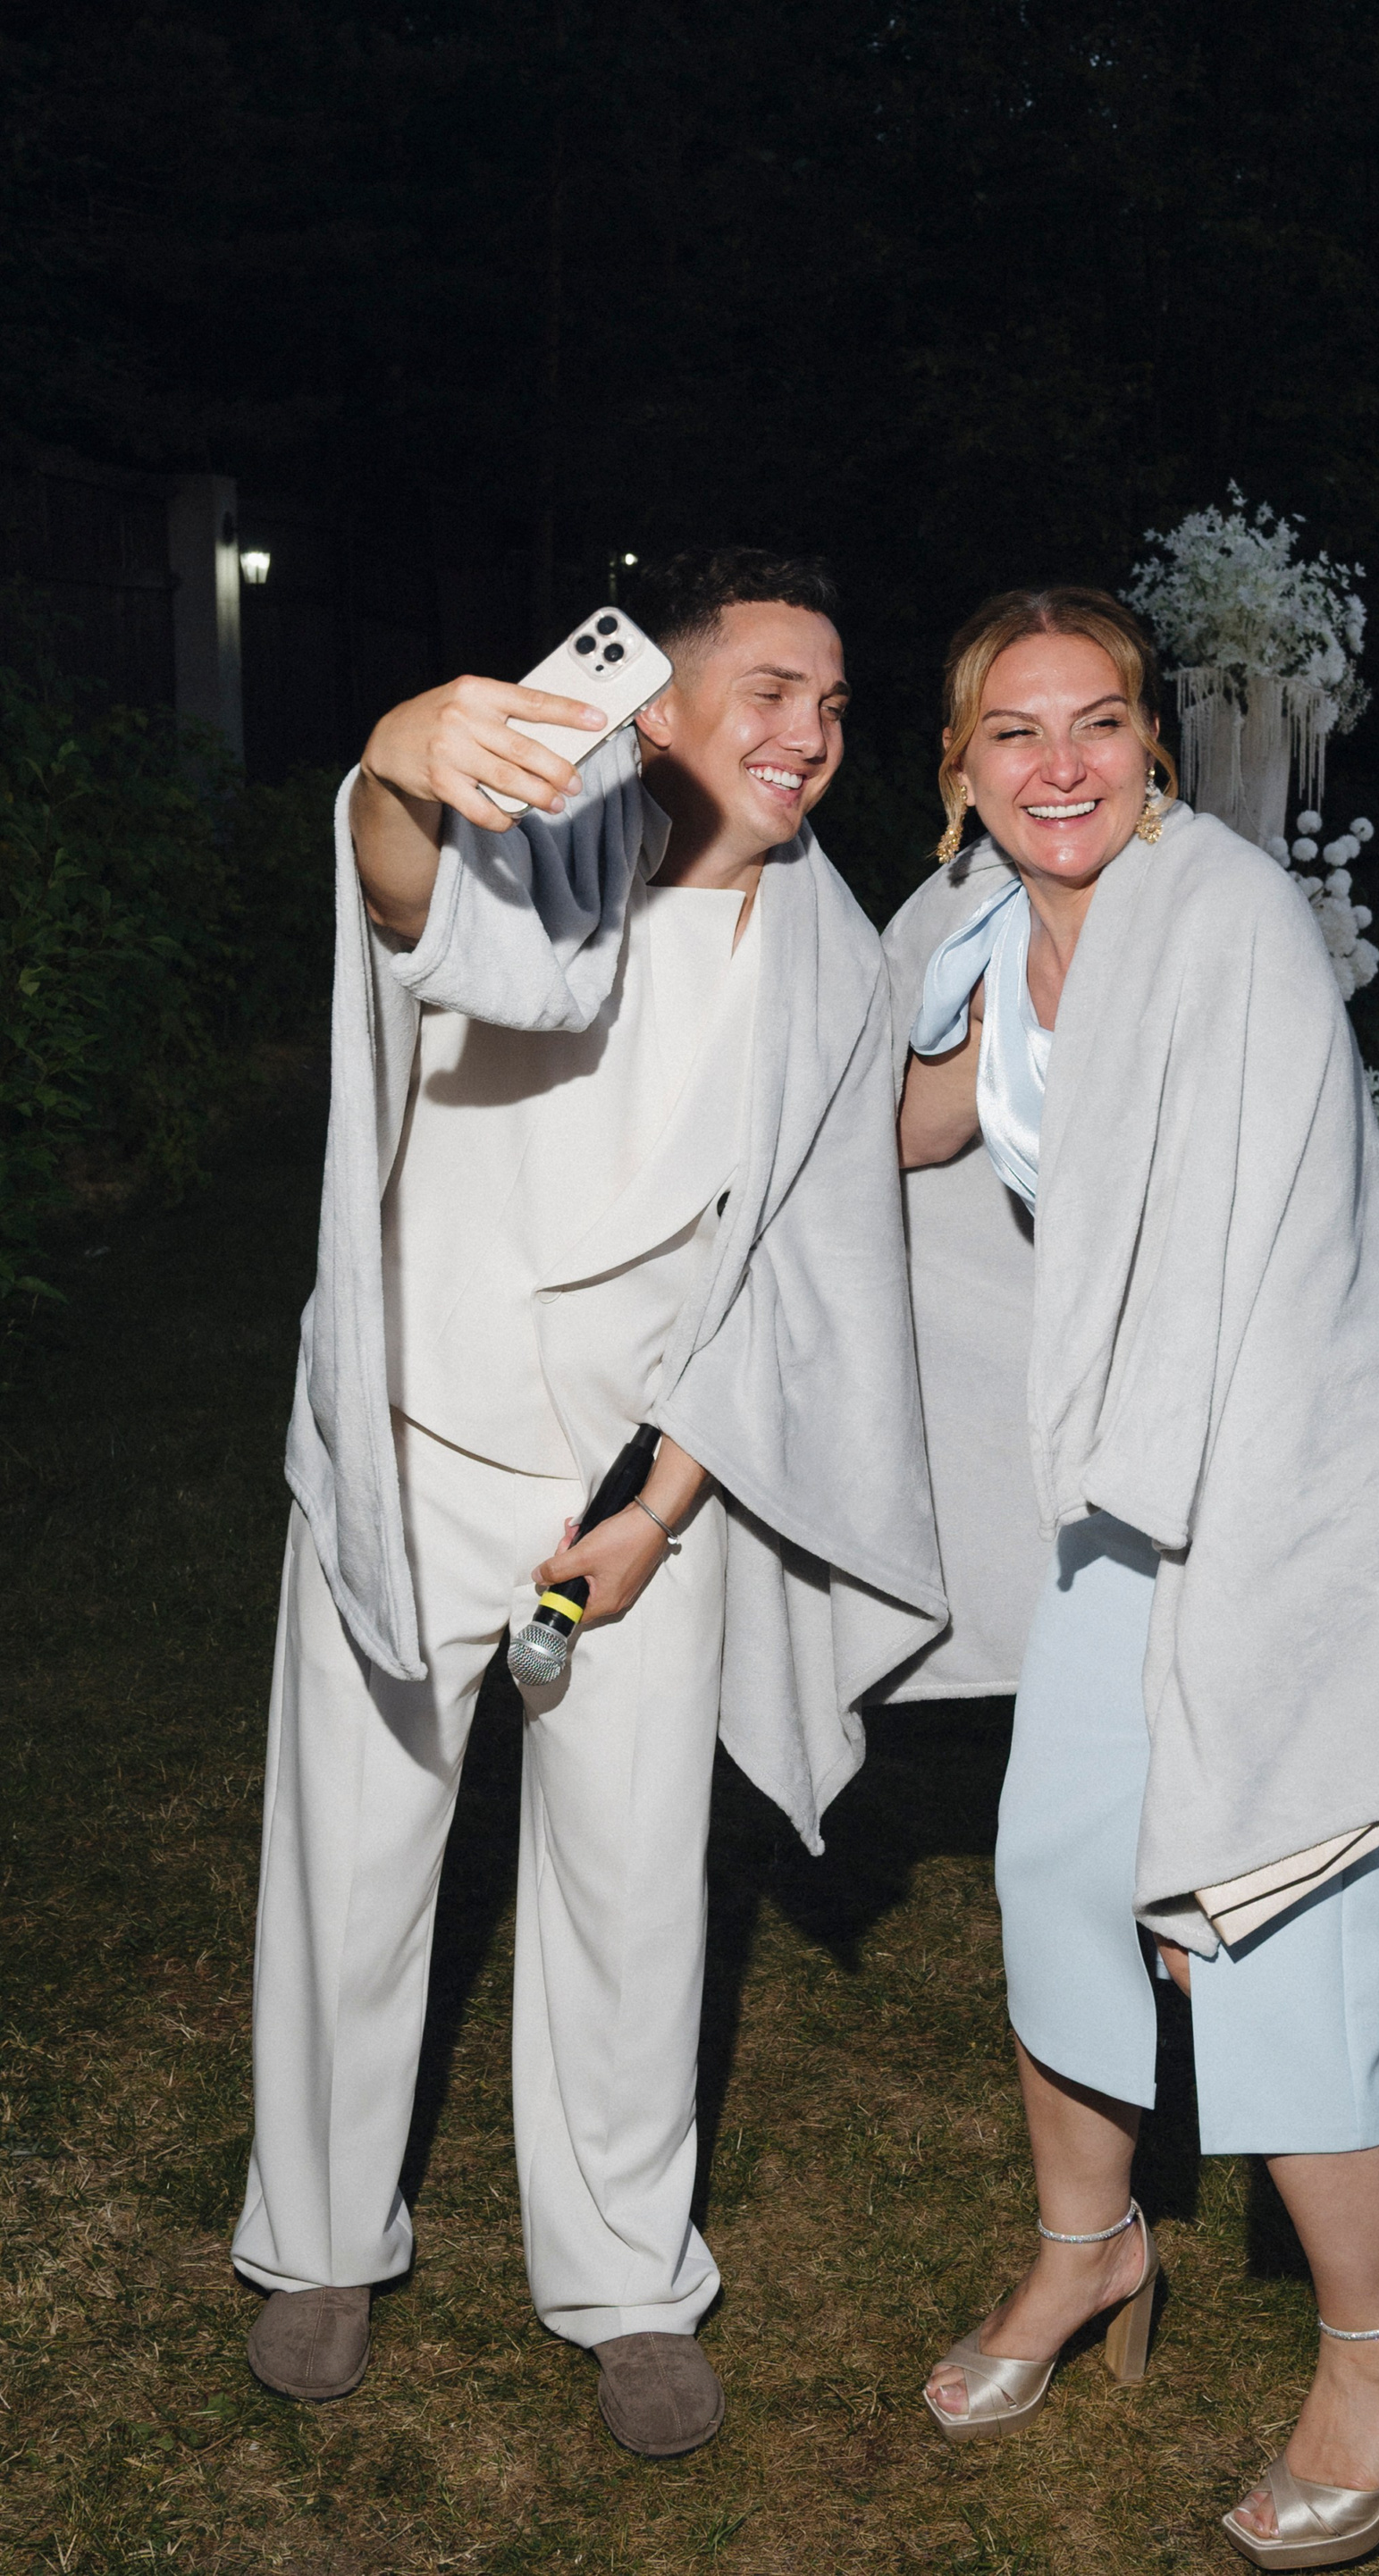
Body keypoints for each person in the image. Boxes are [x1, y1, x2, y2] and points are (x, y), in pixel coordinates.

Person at [232, 548, 946, 2454]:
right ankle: (319, 2238)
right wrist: (397, 760)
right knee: (353, 1865)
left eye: (835, 700)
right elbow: (414, 907)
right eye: (773, 690)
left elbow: (799, 1267)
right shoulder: (543, 847)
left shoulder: (830, 951)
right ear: (665, 704)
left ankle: (628, 2279)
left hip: (638, 1493)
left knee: (634, 1891)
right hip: (415, 1446)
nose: (811, 731)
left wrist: (666, 1504)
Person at [884, 588, 1379, 2566]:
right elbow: (897, 1121)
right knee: (1061, 1866)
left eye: (1097, 721)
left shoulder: (1225, 917)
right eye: (1014, 731)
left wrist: (1208, 1676)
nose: (1060, 763)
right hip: (1141, 1475)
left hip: (1312, 1468)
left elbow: (1244, 1270)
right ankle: (1090, 2244)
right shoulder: (969, 932)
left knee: (1267, 1906)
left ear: (1152, 743)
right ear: (959, 770)